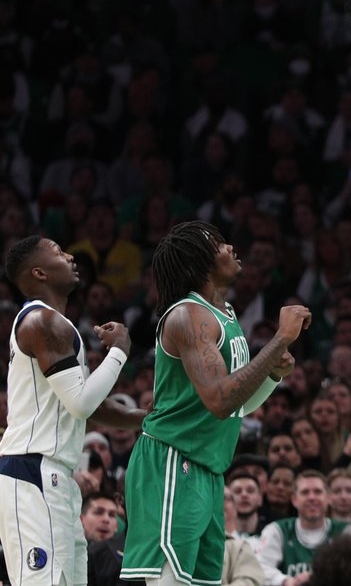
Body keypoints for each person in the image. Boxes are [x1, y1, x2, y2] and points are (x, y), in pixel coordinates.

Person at [121, 221, 312, 586]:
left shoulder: (224, 315)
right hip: (173, 462)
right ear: (197, 261)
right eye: (218, 244)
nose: (229, 248)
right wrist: (278, 340)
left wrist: (272, 374)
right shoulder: (187, 315)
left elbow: (238, 406)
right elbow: (220, 400)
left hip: (207, 468)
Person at [0, 236, 145, 586]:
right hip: (31, 469)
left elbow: (87, 404)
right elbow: (82, 403)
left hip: (56, 476)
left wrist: (150, 419)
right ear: (39, 272)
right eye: (57, 252)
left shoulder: (58, 327)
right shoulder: (40, 322)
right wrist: (120, 352)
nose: (69, 256)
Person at [255, 470, 350, 586]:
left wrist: (317, 577)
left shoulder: (345, 532)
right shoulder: (277, 530)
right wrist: (286, 581)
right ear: (294, 500)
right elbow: (260, 567)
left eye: (318, 492)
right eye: (305, 492)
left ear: (328, 498)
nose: (311, 497)